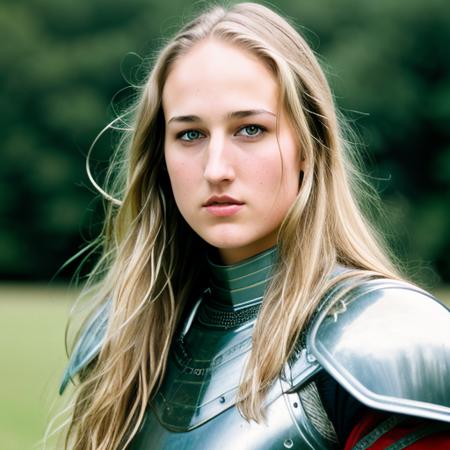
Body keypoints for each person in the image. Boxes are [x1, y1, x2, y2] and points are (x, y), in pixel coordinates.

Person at [58, 2, 450, 449]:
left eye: (250, 129)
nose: (216, 168)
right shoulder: (124, 338)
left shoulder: (385, 342)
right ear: (160, 157)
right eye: (190, 134)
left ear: (309, 144)